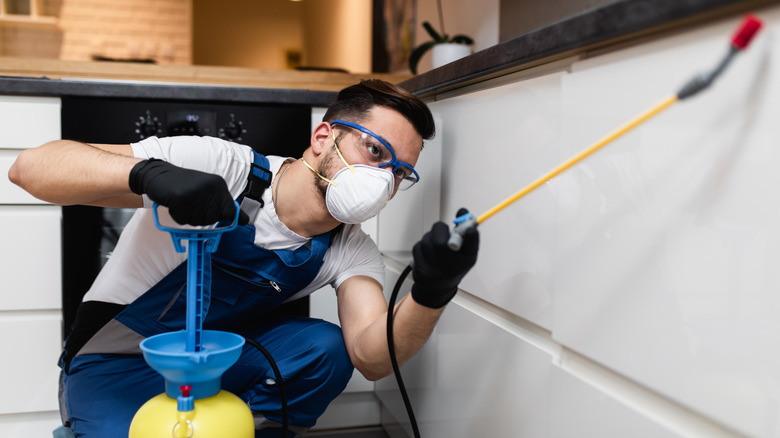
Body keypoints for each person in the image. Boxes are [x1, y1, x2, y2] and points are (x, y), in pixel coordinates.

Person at [9, 79, 479, 437]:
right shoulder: (223, 164)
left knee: (325, 349)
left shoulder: (350, 249)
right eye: (373, 151)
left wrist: (431, 293)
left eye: (397, 172)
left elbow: (371, 356)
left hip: (214, 365)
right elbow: (29, 168)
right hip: (116, 364)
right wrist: (148, 174)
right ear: (323, 138)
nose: (381, 179)